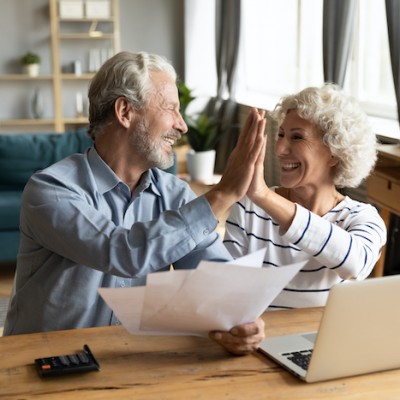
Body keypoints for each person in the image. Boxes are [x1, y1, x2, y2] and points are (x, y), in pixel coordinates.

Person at [4, 51, 266, 355]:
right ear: (125, 111)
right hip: (42, 364)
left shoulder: (174, 194)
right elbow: (122, 253)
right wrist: (221, 195)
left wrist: (240, 319)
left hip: (126, 359)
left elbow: (213, 277)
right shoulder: (51, 189)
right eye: (171, 109)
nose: (182, 126)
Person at [223, 84, 387, 310]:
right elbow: (225, 289)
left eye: (297, 137)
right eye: (280, 134)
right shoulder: (250, 208)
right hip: (257, 340)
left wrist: (263, 195)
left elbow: (355, 264)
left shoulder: (362, 218)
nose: (280, 148)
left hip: (325, 342)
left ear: (334, 153)